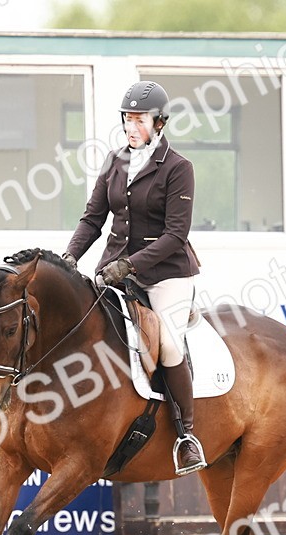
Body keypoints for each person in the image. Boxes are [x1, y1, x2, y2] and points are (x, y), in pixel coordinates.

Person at [62, 80, 207, 476]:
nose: (131, 125)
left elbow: (176, 234)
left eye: (139, 119)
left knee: (169, 345)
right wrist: (70, 257)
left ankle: (186, 436)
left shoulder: (178, 169)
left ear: (159, 123)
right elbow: (93, 218)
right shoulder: (114, 162)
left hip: (165, 276)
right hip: (115, 271)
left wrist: (130, 265)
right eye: (128, 118)